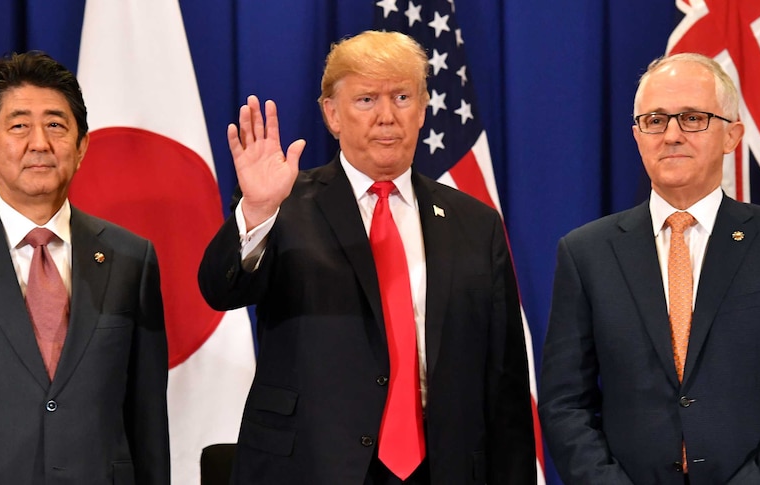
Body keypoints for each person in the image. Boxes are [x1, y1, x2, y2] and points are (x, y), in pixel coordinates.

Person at [198, 30, 535, 484]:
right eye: (365, 100)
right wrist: (257, 210)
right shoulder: (285, 204)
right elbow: (221, 289)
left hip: (443, 467)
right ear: (331, 113)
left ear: (422, 109)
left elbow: (505, 382)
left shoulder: (476, 224)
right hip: (311, 466)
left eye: (401, 96)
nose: (386, 117)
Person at [539, 52, 760, 484]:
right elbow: (564, 402)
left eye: (692, 118)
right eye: (655, 120)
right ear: (637, 135)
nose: (672, 135)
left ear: (731, 135)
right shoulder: (586, 252)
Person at [0, 51, 170, 484]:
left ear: (82, 147)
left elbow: (147, 419)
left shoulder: (130, 258)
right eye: (18, 126)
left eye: (55, 125)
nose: (40, 143)